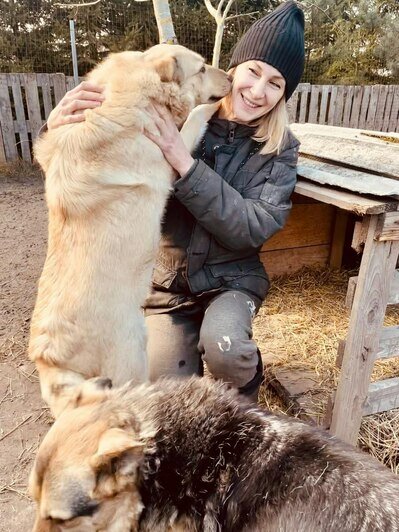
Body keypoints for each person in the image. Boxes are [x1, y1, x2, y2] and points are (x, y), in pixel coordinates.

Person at [45, 1, 305, 402]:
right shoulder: (178, 112)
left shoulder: (280, 148)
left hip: (231, 280)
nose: (258, 91)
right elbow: (95, 171)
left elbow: (254, 226)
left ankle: (248, 394)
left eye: (275, 83)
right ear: (234, 70)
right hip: (168, 287)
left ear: (285, 93)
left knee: (226, 349)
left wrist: (185, 164)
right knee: (165, 393)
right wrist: (58, 127)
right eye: (253, 72)